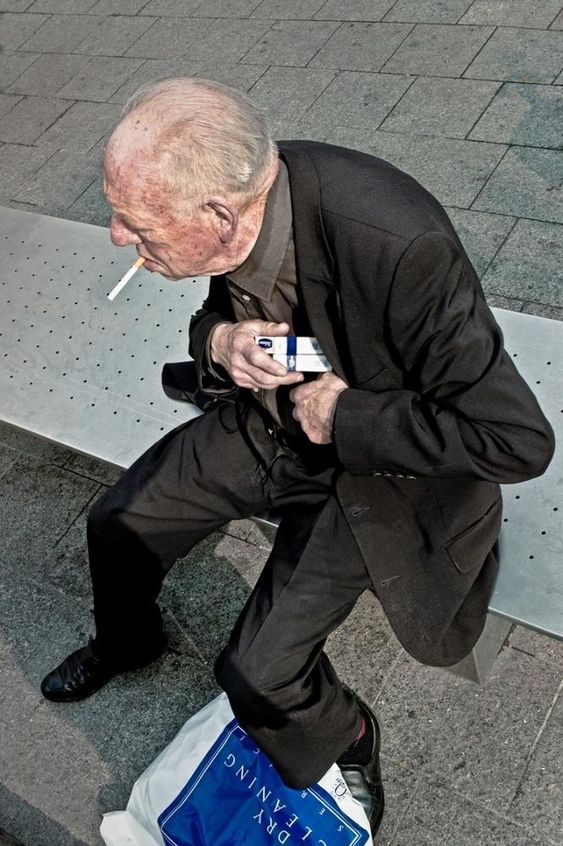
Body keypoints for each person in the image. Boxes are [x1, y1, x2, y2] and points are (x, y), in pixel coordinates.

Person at [40, 78, 554, 836]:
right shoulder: (240, 206)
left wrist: (345, 412)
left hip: (375, 471)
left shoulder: (398, 244)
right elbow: (240, 316)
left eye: (137, 223)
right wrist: (220, 342)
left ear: (218, 215)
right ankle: (129, 641)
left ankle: (345, 734)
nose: (117, 236)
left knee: (257, 673)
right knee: (121, 519)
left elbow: (514, 438)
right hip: (271, 420)